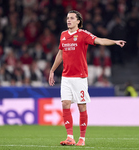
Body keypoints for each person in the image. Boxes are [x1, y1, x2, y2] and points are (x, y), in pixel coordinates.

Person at [49, 10, 126, 146]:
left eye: (72, 18)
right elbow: (60, 54)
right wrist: (52, 70)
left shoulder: (83, 34)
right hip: (66, 77)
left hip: (80, 77)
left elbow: (99, 40)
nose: (69, 20)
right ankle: (69, 137)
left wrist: (114, 42)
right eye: (68, 18)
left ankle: (82, 139)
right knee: (65, 104)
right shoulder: (63, 35)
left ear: (78, 21)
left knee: (81, 106)